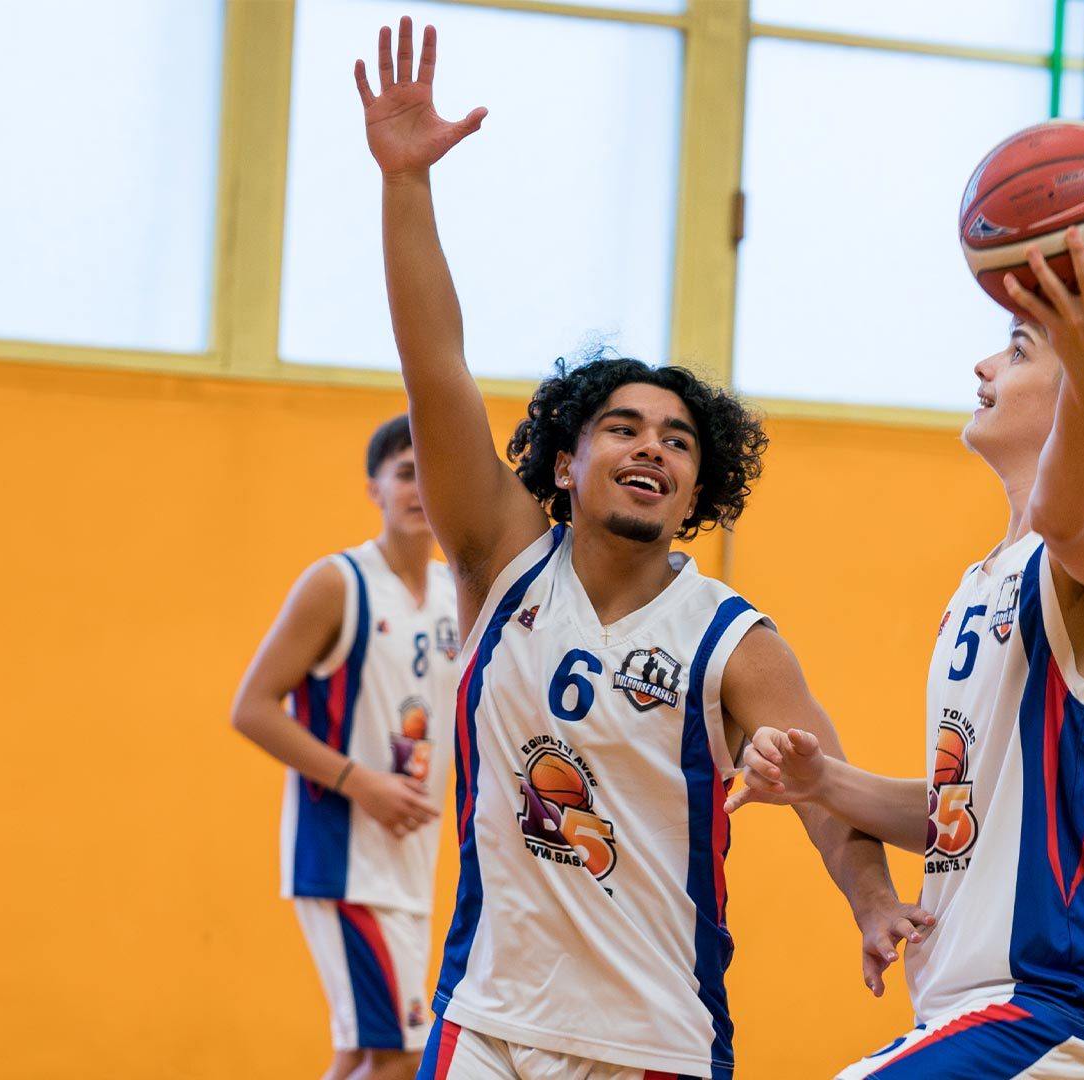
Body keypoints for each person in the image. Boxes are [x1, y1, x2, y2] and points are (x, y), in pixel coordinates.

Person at [351, 19, 927, 1080]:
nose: (652, 448)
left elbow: (822, 790)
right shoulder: (498, 555)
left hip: (653, 1040)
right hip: (485, 1023)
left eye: (679, 441)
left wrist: (875, 899)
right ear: (565, 460)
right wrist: (405, 185)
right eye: (623, 427)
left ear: (700, 490)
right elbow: (433, 360)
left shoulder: (734, 641)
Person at [727, 230, 1084, 1078]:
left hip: (1068, 1001)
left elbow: (1070, 518)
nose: (985, 366)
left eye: (1018, 350)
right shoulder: (985, 579)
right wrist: (824, 783)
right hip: (977, 1004)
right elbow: (966, 821)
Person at [232, 414, 462, 1080]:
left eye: (433, 472)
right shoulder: (339, 583)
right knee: (401, 1055)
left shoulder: (456, 590)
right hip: (343, 858)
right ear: (375, 488)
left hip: (408, 862)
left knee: (361, 1052)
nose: (421, 489)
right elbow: (251, 709)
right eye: (406, 472)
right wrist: (362, 782)